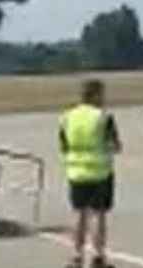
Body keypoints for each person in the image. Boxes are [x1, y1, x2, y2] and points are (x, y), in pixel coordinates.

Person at [59, 79, 120, 268]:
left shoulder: (67, 117)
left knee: (79, 215)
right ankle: (98, 256)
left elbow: (63, 146)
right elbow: (114, 145)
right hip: (99, 172)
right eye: (101, 94)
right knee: (98, 216)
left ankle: (76, 256)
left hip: (76, 172)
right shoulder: (103, 117)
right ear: (95, 95)